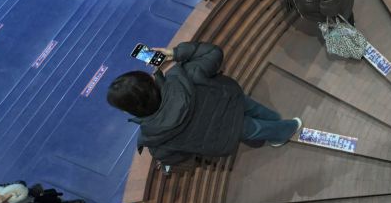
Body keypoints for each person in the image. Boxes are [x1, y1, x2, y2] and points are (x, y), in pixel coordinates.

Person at [106, 41, 302, 165]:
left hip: (225, 135)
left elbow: (173, 158)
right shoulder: (183, 75)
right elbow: (213, 53)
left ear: (128, 112)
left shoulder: (152, 137)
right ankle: (286, 128)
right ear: (151, 80)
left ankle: (277, 129)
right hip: (230, 100)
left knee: (254, 129)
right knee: (255, 111)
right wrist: (174, 54)